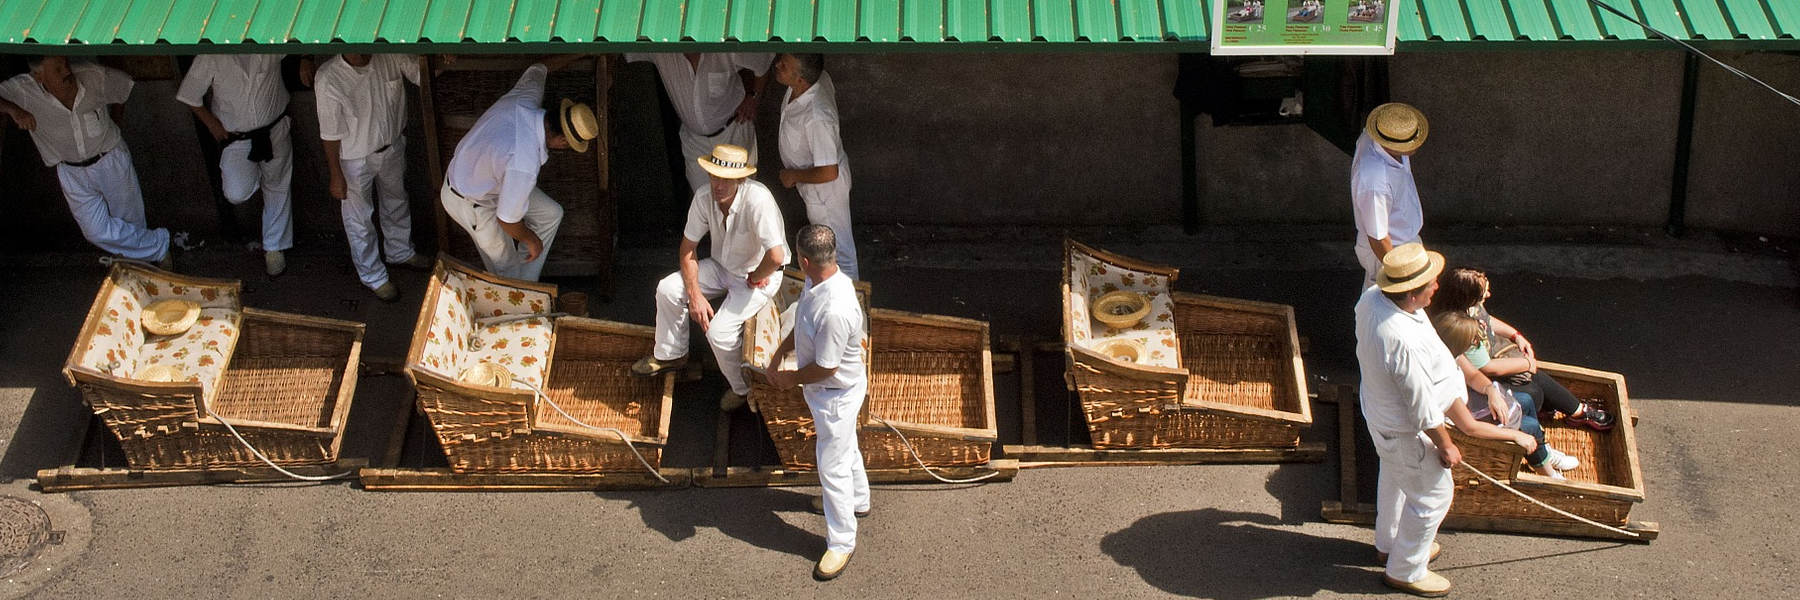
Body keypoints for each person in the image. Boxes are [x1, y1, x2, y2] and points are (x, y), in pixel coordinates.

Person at [1355, 243, 1536, 597]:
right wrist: (1446, 445)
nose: (1436, 288)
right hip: (1404, 428)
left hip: (1382, 415)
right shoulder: (1402, 341)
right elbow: (1422, 407)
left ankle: (1391, 543)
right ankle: (1406, 569)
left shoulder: (1373, 297)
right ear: (1410, 294)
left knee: (1395, 480)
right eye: (1429, 284)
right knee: (1433, 496)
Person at [632, 144, 789, 412]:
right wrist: (695, 295)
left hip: (759, 273)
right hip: (722, 267)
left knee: (719, 333)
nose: (718, 185)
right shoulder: (704, 197)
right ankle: (672, 355)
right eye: (714, 176)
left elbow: (775, 256)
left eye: (726, 179)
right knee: (668, 289)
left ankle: (744, 390)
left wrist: (756, 277)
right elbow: (687, 250)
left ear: (740, 179)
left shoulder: (758, 200)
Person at [766, 224, 870, 581]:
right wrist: (781, 352)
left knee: (832, 465)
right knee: (845, 450)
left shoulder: (837, 309)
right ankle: (858, 501)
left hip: (835, 396)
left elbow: (826, 368)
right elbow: (802, 322)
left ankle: (841, 541)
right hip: (830, 393)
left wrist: (787, 379)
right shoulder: (819, 280)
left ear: (806, 260)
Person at [0, 56, 172, 269]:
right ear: (38, 76)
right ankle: (160, 245)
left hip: (110, 159)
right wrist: (13, 110)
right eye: (57, 68)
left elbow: (123, 85)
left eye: (64, 63)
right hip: (71, 171)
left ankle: (140, 271)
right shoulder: (23, 90)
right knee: (95, 231)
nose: (66, 71)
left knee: (131, 222)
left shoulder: (91, 75)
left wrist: (116, 121)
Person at [440, 55, 597, 282]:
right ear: (562, 140)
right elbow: (507, 220)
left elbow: (539, 67)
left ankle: (526, 285)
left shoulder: (526, 98)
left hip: (486, 179)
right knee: (505, 266)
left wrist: (580, 51)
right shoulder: (525, 161)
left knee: (551, 214)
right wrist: (530, 239)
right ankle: (514, 299)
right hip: (468, 200)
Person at [1429, 267, 1616, 433]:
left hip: (1493, 362)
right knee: (1533, 391)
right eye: (1483, 293)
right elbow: (1487, 368)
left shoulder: (1472, 308)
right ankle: (1570, 414)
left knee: (1533, 379)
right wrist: (1526, 364)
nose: (1488, 295)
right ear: (1467, 298)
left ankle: (1575, 410)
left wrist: (1515, 335)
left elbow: (1488, 320)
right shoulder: (1460, 329)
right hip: (1483, 378)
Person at [177, 54, 310, 276]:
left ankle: (274, 248)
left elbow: (297, 39)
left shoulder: (267, 40)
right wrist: (212, 125)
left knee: (277, 186)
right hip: (237, 138)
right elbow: (190, 95)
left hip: (275, 128)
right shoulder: (211, 55)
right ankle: (256, 177)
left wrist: (306, 58)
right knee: (236, 192)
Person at [314, 53, 430, 301]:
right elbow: (329, 133)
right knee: (359, 220)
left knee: (397, 201)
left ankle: (400, 251)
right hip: (354, 158)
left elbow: (423, 75)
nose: (363, 51)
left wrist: (444, 60)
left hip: (391, 146)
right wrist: (335, 174)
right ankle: (373, 276)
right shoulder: (328, 77)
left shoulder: (388, 55)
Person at [1433, 311, 1579, 479]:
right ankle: (1547, 472)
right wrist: (1517, 435)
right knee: (1529, 426)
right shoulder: (1443, 382)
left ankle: (1541, 450)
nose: (1476, 344)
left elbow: (1473, 376)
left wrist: (1491, 391)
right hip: (1464, 425)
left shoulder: (1452, 354)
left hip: (1471, 406)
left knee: (1525, 400)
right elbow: (1470, 427)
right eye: (1472, 342)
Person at [625, 53, 773, 194]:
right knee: (704, 203)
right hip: (694, 141)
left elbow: (764, 61)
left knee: (740, 199)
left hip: (732, 133)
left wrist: (754, 97)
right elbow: (621, 47)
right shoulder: (663, 51)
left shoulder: (725, 47)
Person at [773, 53, 858, 279]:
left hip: (825, 191)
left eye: (785, 65)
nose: (777, 64)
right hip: (814, 188)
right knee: (830, 244)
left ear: (801, 80)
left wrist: (793, 175)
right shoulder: (814, 80)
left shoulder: (817, 116)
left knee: (838, 251)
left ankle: (853, 303)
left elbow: (829, 171)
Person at [1350, 102, 1427, 288]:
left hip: (1404, 238)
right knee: (1389, 303)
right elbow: (1378, 237)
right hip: (1392, 248)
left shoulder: (1375, 135)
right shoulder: (1375, 182)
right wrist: (1399, 274)